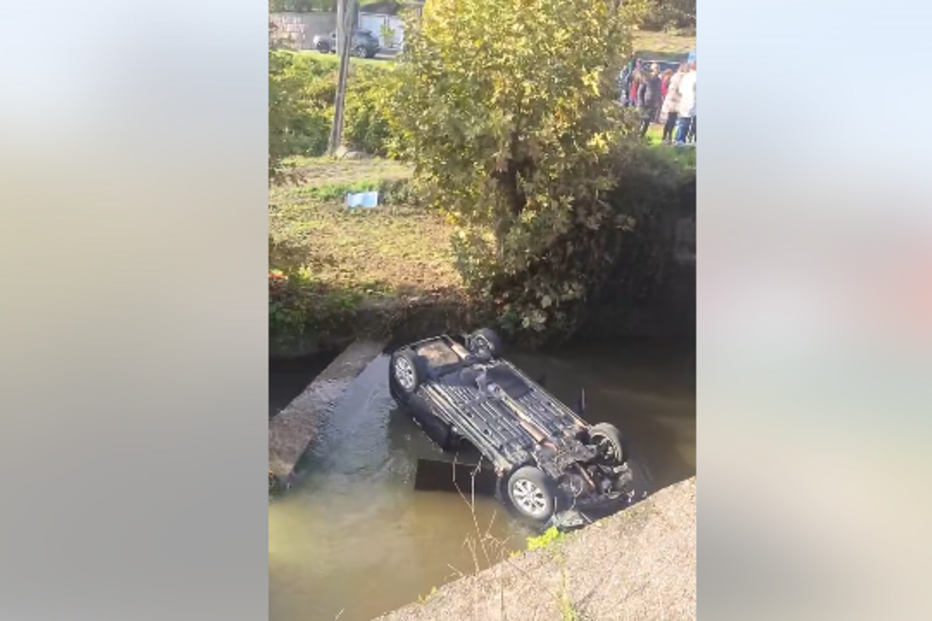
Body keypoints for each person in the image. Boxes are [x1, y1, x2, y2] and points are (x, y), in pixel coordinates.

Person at [660, 64, 687, 143]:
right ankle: (668, 137)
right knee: (671, 120)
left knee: (670, 120)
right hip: (674, 101)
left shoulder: (675, 77)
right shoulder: (678, 78)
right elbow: (677, 90)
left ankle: (666, 137)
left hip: (671, 101)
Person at [637, 66, 663, 138]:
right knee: (640, 121)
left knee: (647, 122)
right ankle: (635, 135)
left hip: (653, 105)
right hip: (644, 104)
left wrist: (659, 101)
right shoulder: (646, 79)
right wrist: (641, 103)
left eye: (658, 69)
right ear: (652, 70)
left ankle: (642, 136)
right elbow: (640, 92)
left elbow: (659, 91)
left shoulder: (658, 80)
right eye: (656, 69)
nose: (657, 70)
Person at [674, 61, 696, 144]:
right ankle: (687, 139)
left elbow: (680, 90)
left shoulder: (686, 76)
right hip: (693, 101)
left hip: (685, 101)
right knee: (692, 123)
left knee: (683, 121)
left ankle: (679, 139)